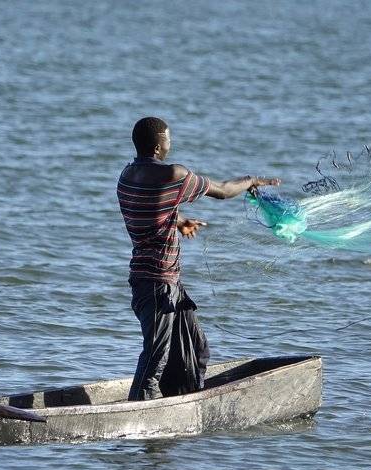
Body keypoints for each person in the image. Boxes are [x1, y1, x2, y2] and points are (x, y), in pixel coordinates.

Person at [117, 117, 281, 401]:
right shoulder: (173, 175)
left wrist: (178, 221)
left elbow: (148, 209)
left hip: (160, 282)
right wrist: (251, 181)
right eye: (168, 138)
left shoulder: (127, 175)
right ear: (158, 146)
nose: (171, 143)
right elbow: (223, 190)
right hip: (157, 284)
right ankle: (141, 415)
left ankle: (180, 408)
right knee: (155, 358)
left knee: (196, 346)